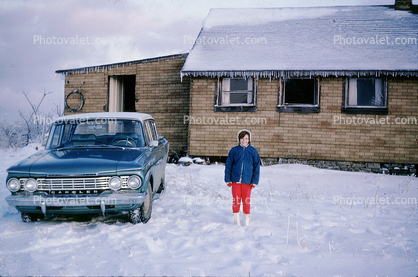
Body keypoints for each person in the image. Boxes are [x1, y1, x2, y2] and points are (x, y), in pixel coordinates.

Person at [224, 129, 260, 226]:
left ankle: (246, 222)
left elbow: (257, 167)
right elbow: (228, 165)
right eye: (242, 138)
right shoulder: (234, 150)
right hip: (235, 181)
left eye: (246, 138)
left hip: (247, 182)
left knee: (246, 201)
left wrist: (255, 181)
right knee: (236, 201)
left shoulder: (253, 151)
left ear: (249, 140)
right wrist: (228, 179)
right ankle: (236, 222)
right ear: (239, 139)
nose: (244, 140)